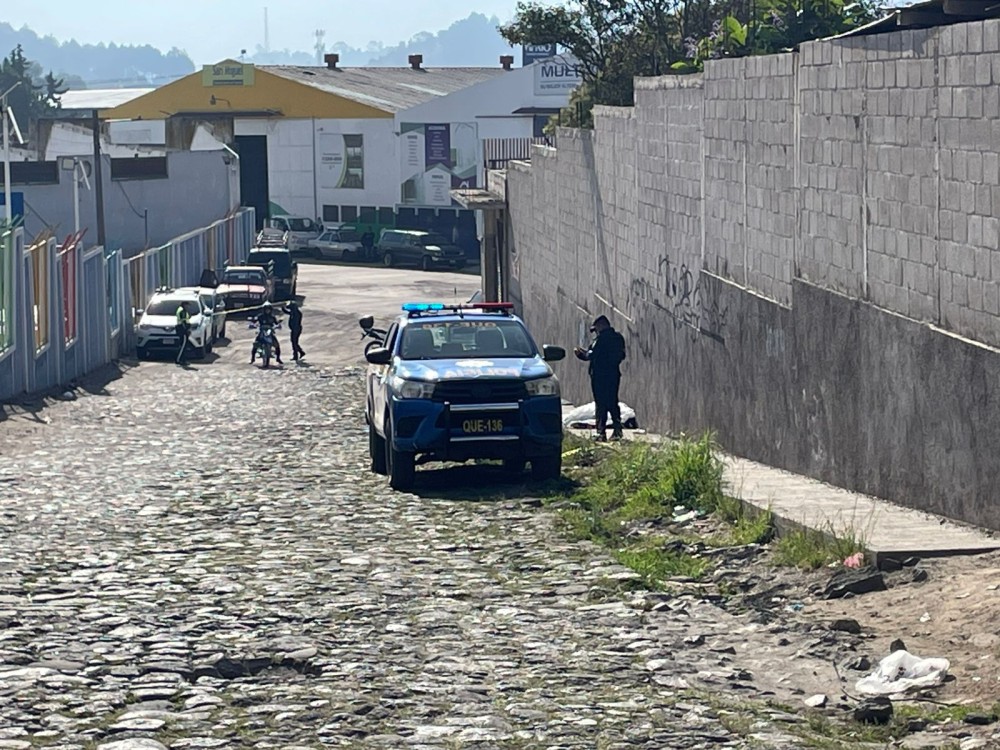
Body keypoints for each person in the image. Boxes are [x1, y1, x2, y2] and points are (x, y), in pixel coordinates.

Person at [574, 314, 626, 441]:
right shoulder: (618, 338)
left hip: (600, 377)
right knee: (613, 401)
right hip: (613, 374)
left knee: (601, 403)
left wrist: (580, 354)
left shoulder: (601, 340)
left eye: (596, 329)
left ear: (601, 326)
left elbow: (591, 355)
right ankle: (617, 430)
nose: (596, 332)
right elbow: (622, 355)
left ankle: (601, 432)